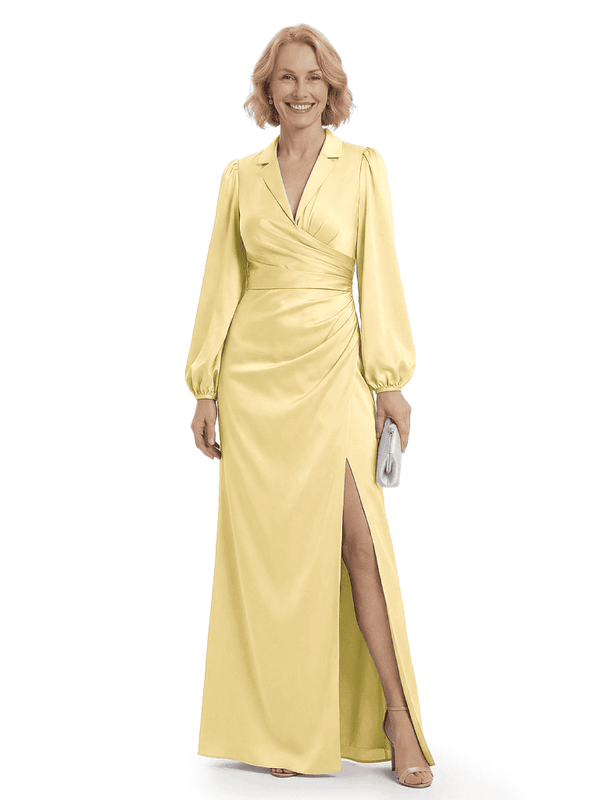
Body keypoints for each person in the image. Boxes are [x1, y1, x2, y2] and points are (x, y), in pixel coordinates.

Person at [185, 23, 435, 788]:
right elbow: (221, 282)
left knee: (360, 544)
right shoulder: (241, 176)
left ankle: (397, 716)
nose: (300, 91)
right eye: (286, 78)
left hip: (334, 370)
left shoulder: (362, 168)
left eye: (314, 78)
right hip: (254, 381)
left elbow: (379, 275)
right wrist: (205, 386)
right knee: (274, 559)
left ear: (332, 89)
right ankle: (285, 726)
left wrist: (389, 380)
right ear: (268, 89)